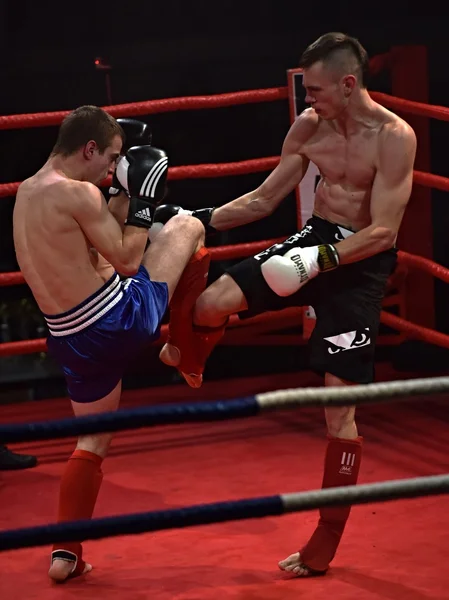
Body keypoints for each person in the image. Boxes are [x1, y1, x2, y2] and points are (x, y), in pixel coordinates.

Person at [155, 32, 417, 576]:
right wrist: (197, 219)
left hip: (361, 262)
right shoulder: (308, 127)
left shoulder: (394, 137)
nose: (307, 99)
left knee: (337, 410)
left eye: (316, 90)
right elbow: (265, 198)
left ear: (349, 85)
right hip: (318, 236)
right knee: (208, 305)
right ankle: (198, 349)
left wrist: (317, 262)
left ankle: (325, 538)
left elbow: (385, 232)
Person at [13, 106, 207, 582]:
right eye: (112, 158)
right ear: (90, 149)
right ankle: (186, 350)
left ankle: (66, 553)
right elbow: (123, 258)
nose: (112, 169)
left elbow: (99, 239)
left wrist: (122, 193)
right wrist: (142, 200)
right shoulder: (78, 193)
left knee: (92, 441)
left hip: (70, 339)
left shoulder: (27, 193)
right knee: (186, 226)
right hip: (117, 320)